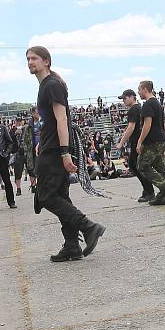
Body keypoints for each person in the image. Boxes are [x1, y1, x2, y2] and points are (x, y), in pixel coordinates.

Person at [26, 46, 105, 262]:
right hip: (50, 146)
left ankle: (88, 226)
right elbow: (50, 121)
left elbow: (62, 120)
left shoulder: (51, 85)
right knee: (61, 197)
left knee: (46, 196)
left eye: (34, 58)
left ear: (46, 61)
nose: (30, 62)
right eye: (28, 59)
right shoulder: (47, 85)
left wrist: (64, 152)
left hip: (55, 150)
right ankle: (72, 245)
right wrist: (41, 141)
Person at [136, 80, 165, 205]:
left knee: (142, 165)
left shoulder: (147, 105)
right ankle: (162, 197)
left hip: (152, 141)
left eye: (139, 89)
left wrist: (139, 141)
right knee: (159, 168)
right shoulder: (157, 103)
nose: (138, 92)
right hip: (161, 139)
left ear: (144, 89)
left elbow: (147, 125)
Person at [115, 89, 154, 202]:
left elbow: (131, 127)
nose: (124, 101)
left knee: (135, 166)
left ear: (132, 97)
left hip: (137, 140)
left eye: (125, 98)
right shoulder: (139, 108)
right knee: (136, 166)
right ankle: (147, 190)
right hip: (139, 140)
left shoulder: (134, 109)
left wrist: (121, 142)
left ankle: (149, 191)